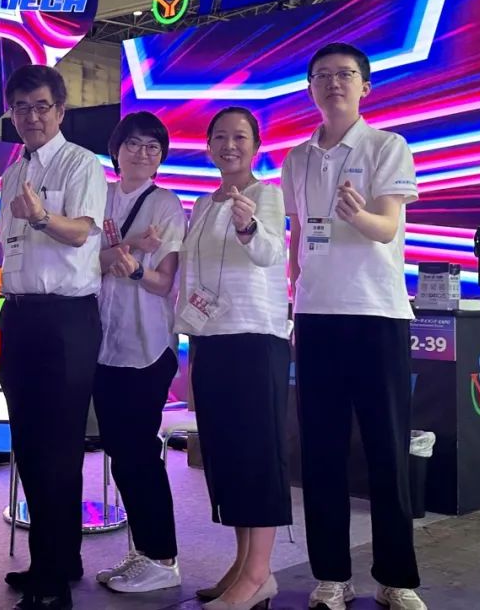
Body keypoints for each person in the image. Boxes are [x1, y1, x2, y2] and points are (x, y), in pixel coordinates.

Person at [282, 43, 426, 610]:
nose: (333, 83)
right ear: (310, 88)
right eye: (322, 75)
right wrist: (294, 299)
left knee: (387, 450)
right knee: (320, 452)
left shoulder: (387, 146)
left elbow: (388, 227)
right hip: (316, 317)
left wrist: (356, 214)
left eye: (345, 74)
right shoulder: (296, 158)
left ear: (364, 86)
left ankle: (396, 579)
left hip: (376, 315)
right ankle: (331, 577)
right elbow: (298, 238)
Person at [0, 64, 107, 610]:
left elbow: (82, 231)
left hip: (66, 319)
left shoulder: (82, 163)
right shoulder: (12, 172)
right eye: (21, 108)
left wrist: (42, 217)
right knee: (27, 443)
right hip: (20, 316)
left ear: (60, 111)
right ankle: (59, 559)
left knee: (59, 447)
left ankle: (51, 579)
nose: (32, 117)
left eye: (42, 106)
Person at [176, 107, 291, 610]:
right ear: (208, 147)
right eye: (220, 137)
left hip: (254, 338)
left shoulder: (267, 195)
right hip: (211, 338)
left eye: (240, 137)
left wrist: (248, 228)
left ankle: (260, 573)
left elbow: (271, 254)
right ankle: (243, 564)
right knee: (227, 456)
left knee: (257, 455)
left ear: (256, 146)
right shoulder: (203, 204)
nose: (229, 146)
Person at [91, 112, 186, 594]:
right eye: (133, 143)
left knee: (139, 454)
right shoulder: (100, 196)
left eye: (153, 146)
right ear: (116, 150)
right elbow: (82, 260)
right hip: (102, 346)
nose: (142, 153)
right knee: (121, 454)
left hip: (146, 348)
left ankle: (162, 557)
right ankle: (144, 551)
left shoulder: (166, 204)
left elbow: (163, 282)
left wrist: (129, 269)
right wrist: (125, 249)